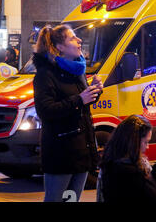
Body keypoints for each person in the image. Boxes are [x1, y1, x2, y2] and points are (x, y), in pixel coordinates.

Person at [33, 24, 103, 202]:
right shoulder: (45, 74)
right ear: (59, 47)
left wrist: (94, 91)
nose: (79, 40)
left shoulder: (76, 71)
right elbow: (45, 110)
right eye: (72, 38)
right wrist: (79, 99)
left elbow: (82, 104)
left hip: (81, 150)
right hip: (61, 153)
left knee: (71, 200)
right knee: (56, 200)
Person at [98, 115, 156, 202]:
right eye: (146, 142)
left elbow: (146, 189)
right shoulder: (130, 171)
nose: (147, 146)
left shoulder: (116, 161)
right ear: (134, 141)